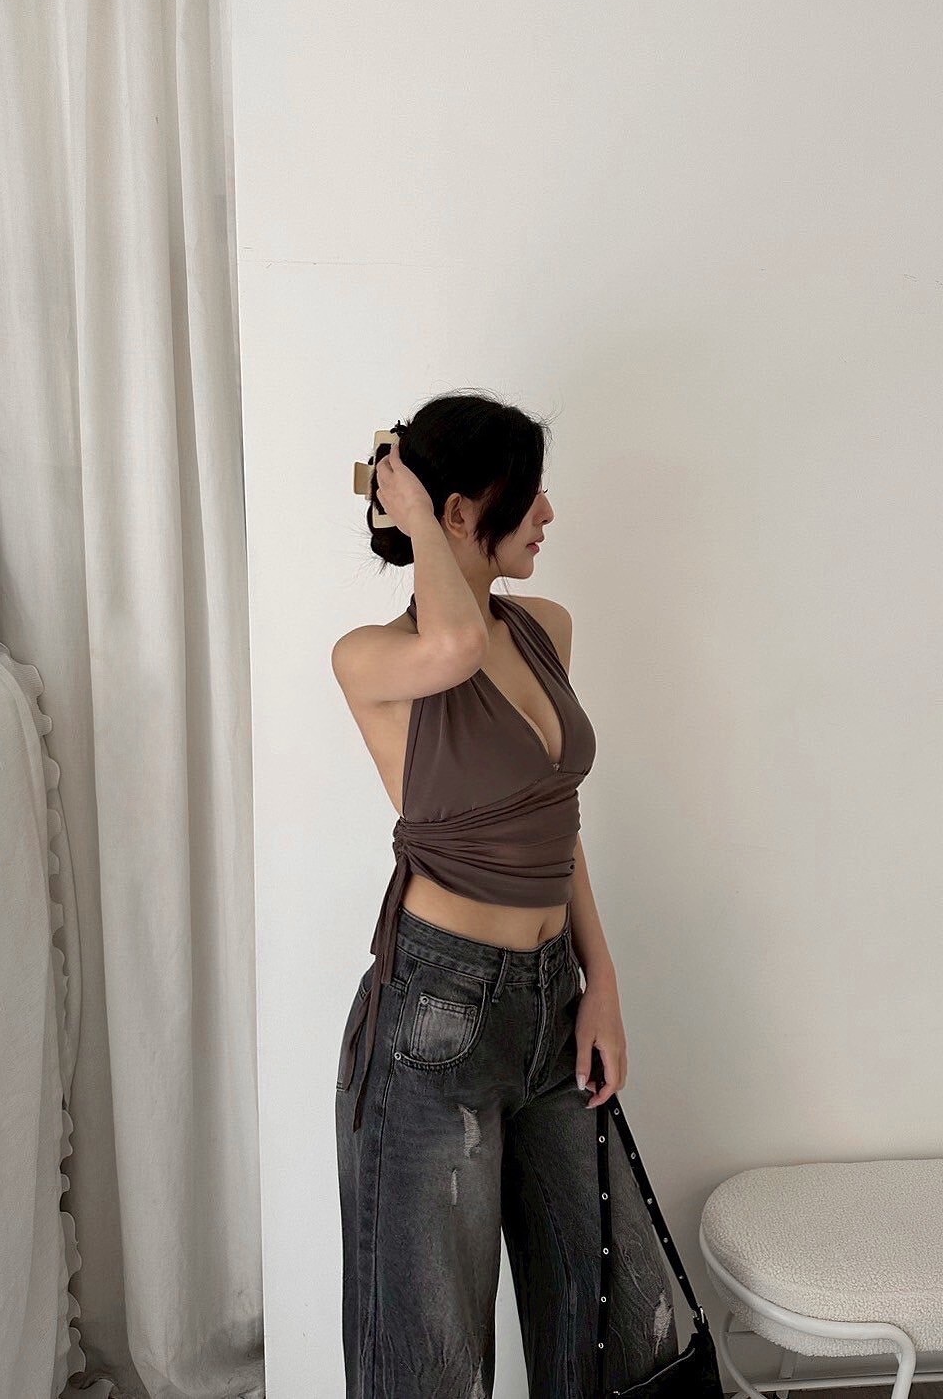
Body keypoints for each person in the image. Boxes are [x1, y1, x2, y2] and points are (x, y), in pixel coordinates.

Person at [331, 392, 679, 1398]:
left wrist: (600, 978)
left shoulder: (543, 630)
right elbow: (450, 649)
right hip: (433, 1019)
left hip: (552, 1002)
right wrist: (409, 505)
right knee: (432, 1361)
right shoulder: (372, 658)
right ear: (454, 513)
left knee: (618, 1332)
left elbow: (555, 826)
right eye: (526, 493)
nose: (547, 513)